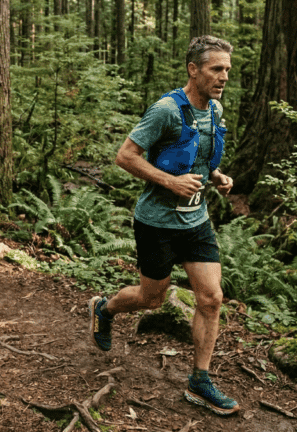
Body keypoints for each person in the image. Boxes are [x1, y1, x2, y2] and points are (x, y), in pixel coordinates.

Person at [88, 35, 239, 416]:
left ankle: (199, 381)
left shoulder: (215, 112)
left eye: (227, 70)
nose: (223, 77)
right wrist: (170, 182)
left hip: (197, 220)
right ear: (193, 69)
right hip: (156, 223)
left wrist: (216, 175)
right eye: (215, 69)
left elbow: (198, 159)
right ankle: (104, 309)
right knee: (152, 298)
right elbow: (125, 156)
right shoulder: (166, 110)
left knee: (211, 298)